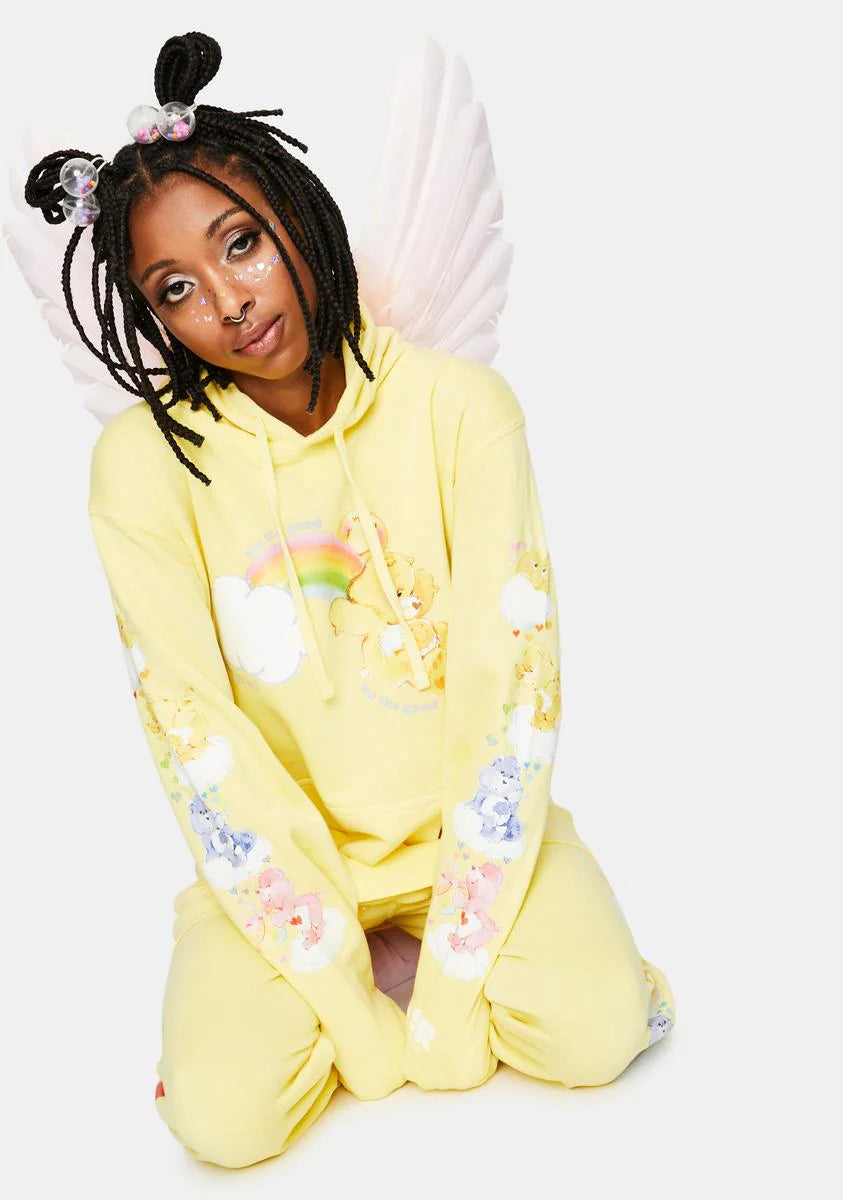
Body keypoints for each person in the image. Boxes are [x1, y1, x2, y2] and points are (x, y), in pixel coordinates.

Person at [23, 29, 676, 1172]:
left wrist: (451, 983)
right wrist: (348, 1003)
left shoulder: (461, 409)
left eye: (242, 243)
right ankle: (294, 995)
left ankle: (567, 965)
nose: (230, 303)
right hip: (279, 867)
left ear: (297, 215)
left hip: (479, 839)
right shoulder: (141, 468)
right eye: (177, 289)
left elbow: (511, 688)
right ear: (152, 318)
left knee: (597, 1035)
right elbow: (193, 734)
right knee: (222, 1126)